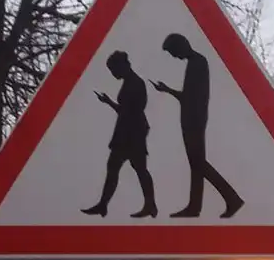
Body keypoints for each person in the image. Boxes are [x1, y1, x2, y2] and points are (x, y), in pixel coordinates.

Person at [153, 33, 244, 218]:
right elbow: (189, 96)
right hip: (192, 118)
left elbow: (192, 97)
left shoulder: (198, 63)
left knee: (198, 163)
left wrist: (168, 91)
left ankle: (232, 199)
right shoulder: (195, 62)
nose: (174, 57)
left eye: (173, 52)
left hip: (194, 120)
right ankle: (195, 206)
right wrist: (167, 90)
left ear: (181, 46)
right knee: (196, 164)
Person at [82, 50, 157, 218]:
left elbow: (134, 111)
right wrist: (109, 102)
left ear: (123, 65)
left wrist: (114, 105)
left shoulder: (136, 83)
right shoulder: (129, 82)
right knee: (114, 168)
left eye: (114, 70)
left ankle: (150, 205)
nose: (113, 74)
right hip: (125, 132)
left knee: (139, 169)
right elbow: (125, 110)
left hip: (133, 133)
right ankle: (103, 205)